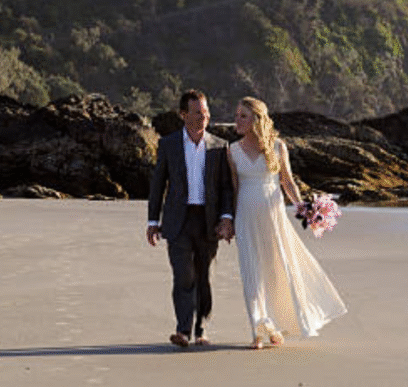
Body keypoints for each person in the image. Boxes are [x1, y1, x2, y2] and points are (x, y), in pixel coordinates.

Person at [229, 97, 346, 349]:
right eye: (237, 115)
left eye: (243, 116)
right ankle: (257, 331)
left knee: (276, 271)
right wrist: (228, 221)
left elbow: (287, 182)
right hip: (245, 218)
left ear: (256, 120)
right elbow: (234, 189)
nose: (237, 120)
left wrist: (304, 208)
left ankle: (275, 325)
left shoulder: (278, 147)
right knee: (251, 273)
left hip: (273, 218)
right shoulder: (232, 151)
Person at [147, 90, 235, 348]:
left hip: (208, 221)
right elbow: (157, 185)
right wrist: (153, 221)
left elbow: (226, 187)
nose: (203, 117)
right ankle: (183, 330)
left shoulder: (219, 147)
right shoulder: (169, 144)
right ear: (184, 115)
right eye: (198, 112)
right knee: (183, 275)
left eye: (206, 112)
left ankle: (201, 329)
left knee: (204, 275)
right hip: (178, 220)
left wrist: (227, 217)